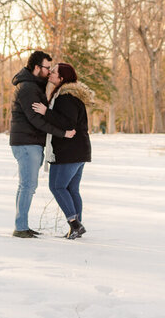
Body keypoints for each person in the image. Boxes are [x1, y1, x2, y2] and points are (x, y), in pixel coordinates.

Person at [9, 50, 74, 238]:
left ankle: (21, 225)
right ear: (37, 68)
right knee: (28, 185)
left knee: (26, 186)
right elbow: (36, 120)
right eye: (47, 68)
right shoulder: (28, 88)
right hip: (26, 143)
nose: (48, 72)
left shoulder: (34, 85)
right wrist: (62, 133)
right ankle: (20, 228)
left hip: (31, 142)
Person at [32, 62, 94, 239]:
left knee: (57, 186)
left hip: (69, 151)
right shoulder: (70, 95)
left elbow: (68, 124)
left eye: (54, 72)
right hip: (79, 151)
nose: (50, 73)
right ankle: (76, 228)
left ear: (62, 78)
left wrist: (46, 112)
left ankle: (74, 224)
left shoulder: (65, 97)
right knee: (72, 189)